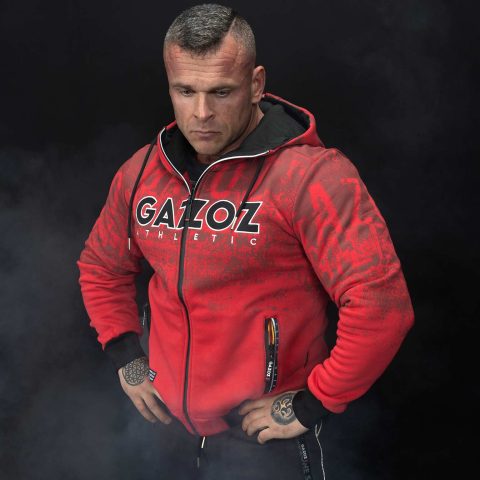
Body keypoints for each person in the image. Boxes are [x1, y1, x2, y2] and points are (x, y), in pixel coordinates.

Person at [77, 4, 414, 479]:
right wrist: (128, 359)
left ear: (256, 85)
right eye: (185, 91)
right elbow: (102, 267)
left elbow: (382, 307)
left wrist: (315, 401)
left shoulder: (312, 178)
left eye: (221, 92)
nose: (201, 113)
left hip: (265, 439)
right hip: (166, 432)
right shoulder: (142, 172)